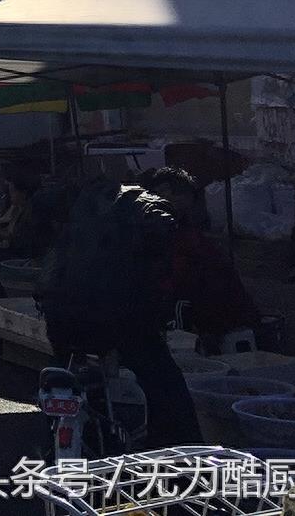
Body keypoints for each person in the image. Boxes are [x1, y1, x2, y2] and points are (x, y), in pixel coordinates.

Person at [38, 176, 200, 447]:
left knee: (64, 369)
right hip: (118, 319)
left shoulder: (82, 206)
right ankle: (182, 448)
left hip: (59, 314)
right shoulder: (145, 203)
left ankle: (59, 433)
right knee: (163, 378)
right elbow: (163, 228)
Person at [140, 166, 259, 351]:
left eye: (172, 193)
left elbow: (184, 278)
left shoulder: (189, 238)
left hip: (210, 309)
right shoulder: (161, 230)